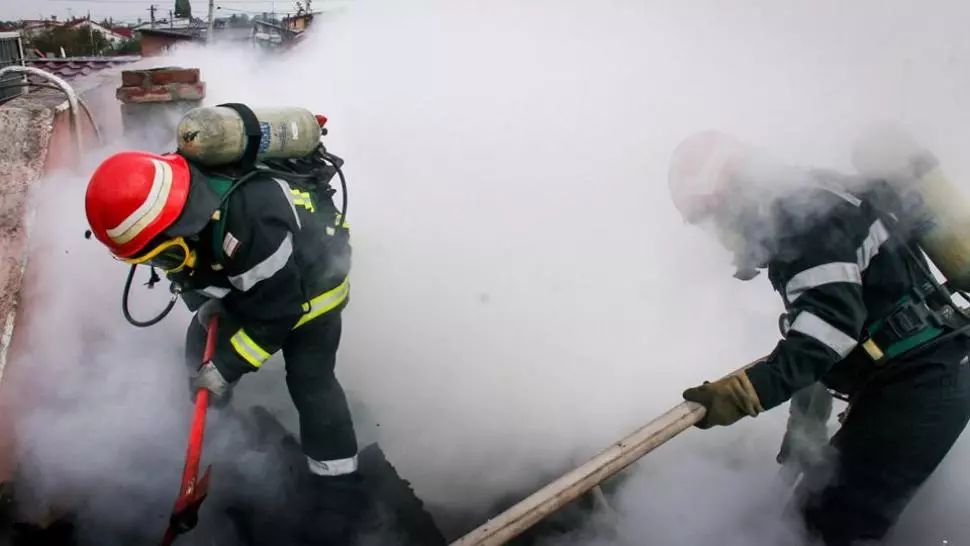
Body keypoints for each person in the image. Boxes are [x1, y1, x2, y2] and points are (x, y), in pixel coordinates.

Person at [669, 130, 970, 545]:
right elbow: (824, 332)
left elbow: (828, 332)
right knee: (818, 516)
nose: (719, 233)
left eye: (712, 215)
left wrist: (741, 394)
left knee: (828, 531)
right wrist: (802, 436)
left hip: (918, 383)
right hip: (919, 374)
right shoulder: (816, 198)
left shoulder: (805, 226)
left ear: (738, 192)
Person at [84, 148, 367, 544]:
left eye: (163, 254)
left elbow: (279, 315)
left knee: (310, 380)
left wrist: (226, 367)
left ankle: (340, 493)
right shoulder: (178, 202)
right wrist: (205, 304)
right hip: (259, 280)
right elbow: (191, 266)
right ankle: (219, 435)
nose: (163, 265)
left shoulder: (252, 223)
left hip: (311, 291)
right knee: (198, 345)